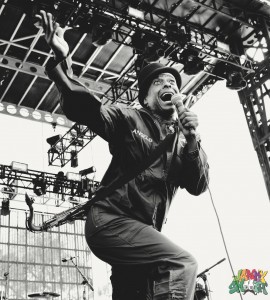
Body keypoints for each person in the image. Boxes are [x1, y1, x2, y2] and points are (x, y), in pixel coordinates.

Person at [36, 10, 209, 300]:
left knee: (137, 293)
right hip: (111, 220)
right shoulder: (130, 119)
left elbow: (198, 185)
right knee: (182, 263)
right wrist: (63, 61)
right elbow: (87, 108)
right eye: (159, 82)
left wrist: (193, 142)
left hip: (140, 235)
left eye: (172, 82)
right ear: (144, 98)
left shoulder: (185, 142)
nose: (168, 84)